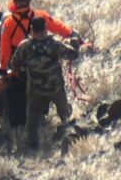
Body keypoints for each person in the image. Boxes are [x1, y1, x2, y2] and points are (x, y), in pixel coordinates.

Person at [0, 0, 79, 128]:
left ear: (14, 2)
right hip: (43, 70)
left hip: (20, 71)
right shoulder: (40, 16)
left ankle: (24, 133)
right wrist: (72, 33)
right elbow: (58, 27)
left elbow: (4, 50)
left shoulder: (8, 23)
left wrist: (3, 70)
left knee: (20, 104)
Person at [10, 17, 79, 149]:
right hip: (56, 88)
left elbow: (14, 64)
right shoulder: (55, 44)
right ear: (45, 29)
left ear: (31, 30)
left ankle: (32, 147)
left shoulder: (24, 46)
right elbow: (74, 55)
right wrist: (74, 43)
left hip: (35, 90)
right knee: (64, 114)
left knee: (33, 120)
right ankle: (68, 138)